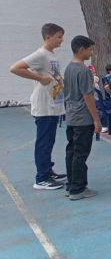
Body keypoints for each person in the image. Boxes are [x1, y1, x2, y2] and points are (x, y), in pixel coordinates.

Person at [9, 23, 67, 190]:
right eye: (58, 37)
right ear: (48, 37)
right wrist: (40, 78)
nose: (61, 40)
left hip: (53, 104)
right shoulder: (40, 54)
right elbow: (15, 68)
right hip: (44, 106)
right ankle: (41, 178)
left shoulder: (51, 55)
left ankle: (48, 171)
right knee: (44, 142)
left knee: (50, 141)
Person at [62, 35, 102, 200]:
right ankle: (78, 188)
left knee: (71, 151)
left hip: (71, 116)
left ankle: (71, 184)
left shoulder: (69, 68)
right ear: (81, 50)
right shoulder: (84, 71)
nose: (91, 52)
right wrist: (96, 119)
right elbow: (88, 96)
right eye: (90, 49)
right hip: (82, 118)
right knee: (80, 153)